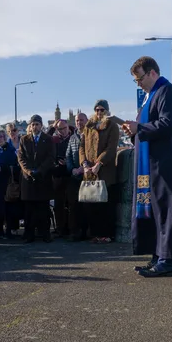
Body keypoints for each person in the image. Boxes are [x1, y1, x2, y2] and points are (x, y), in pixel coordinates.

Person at [122, 56, 172, 277]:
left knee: (166, 211)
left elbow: (167, 124)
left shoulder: (168, 92)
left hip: (165, 164)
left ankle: (168, 260)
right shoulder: (150, 96)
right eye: (135, 81)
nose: (139, 84)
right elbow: (147, 127)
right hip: (150, 166)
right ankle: (157, 256)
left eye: (140, 79)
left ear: (152, 72)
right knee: (154, 211)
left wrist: (139, 128)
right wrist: (133, 130)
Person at [80, 100, 122, 244]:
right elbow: (82, 146)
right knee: (92, 204)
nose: (99, 112)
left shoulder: (112, 126)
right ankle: (95, 233)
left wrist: (99, 163)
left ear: (107, 111)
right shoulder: (89, 125)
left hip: (105, 171)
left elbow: (111, 148)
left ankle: (106, 234)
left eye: (102, 110)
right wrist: (84, 163)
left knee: (105, 204)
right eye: (97, 110)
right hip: (90, 170)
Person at [17, 114, 55, 243]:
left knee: (43, 208)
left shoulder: (48, 139)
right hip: (28, 179)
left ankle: (45, 234)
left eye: (37, 124)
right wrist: (28, 171)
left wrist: (40, 170)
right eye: (32, 124)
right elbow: (21, 158)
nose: (35, 127)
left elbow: (51, 157)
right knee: (29, 210)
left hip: (43, 178)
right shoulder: (24, 139)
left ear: (41, 125)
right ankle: (29, 234)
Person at [65, 111, 89, 241]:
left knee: (87, 206)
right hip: (74, 177)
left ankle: (86, 232)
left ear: (86, 121)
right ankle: (75, 232)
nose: (79, 122)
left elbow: (92, 154)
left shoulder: (91, 134)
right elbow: (68, 155)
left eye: (81, 120)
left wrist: (83, 168)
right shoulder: (72, 138)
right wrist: (73, 169)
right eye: (77, 121)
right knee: (73, 206)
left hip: (87, 176)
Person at [49, 119, 72, 237]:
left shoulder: (73, 138)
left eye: (64, 128)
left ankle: (70, 228)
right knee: (58, 204)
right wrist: (52, 128)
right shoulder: (54, 140)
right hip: (57, 175)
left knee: (70, 203)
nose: (62, 131)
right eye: (59, 129)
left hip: (70, 174)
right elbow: (44, 139)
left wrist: (68, 162)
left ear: (68, 127)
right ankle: (60, 228)